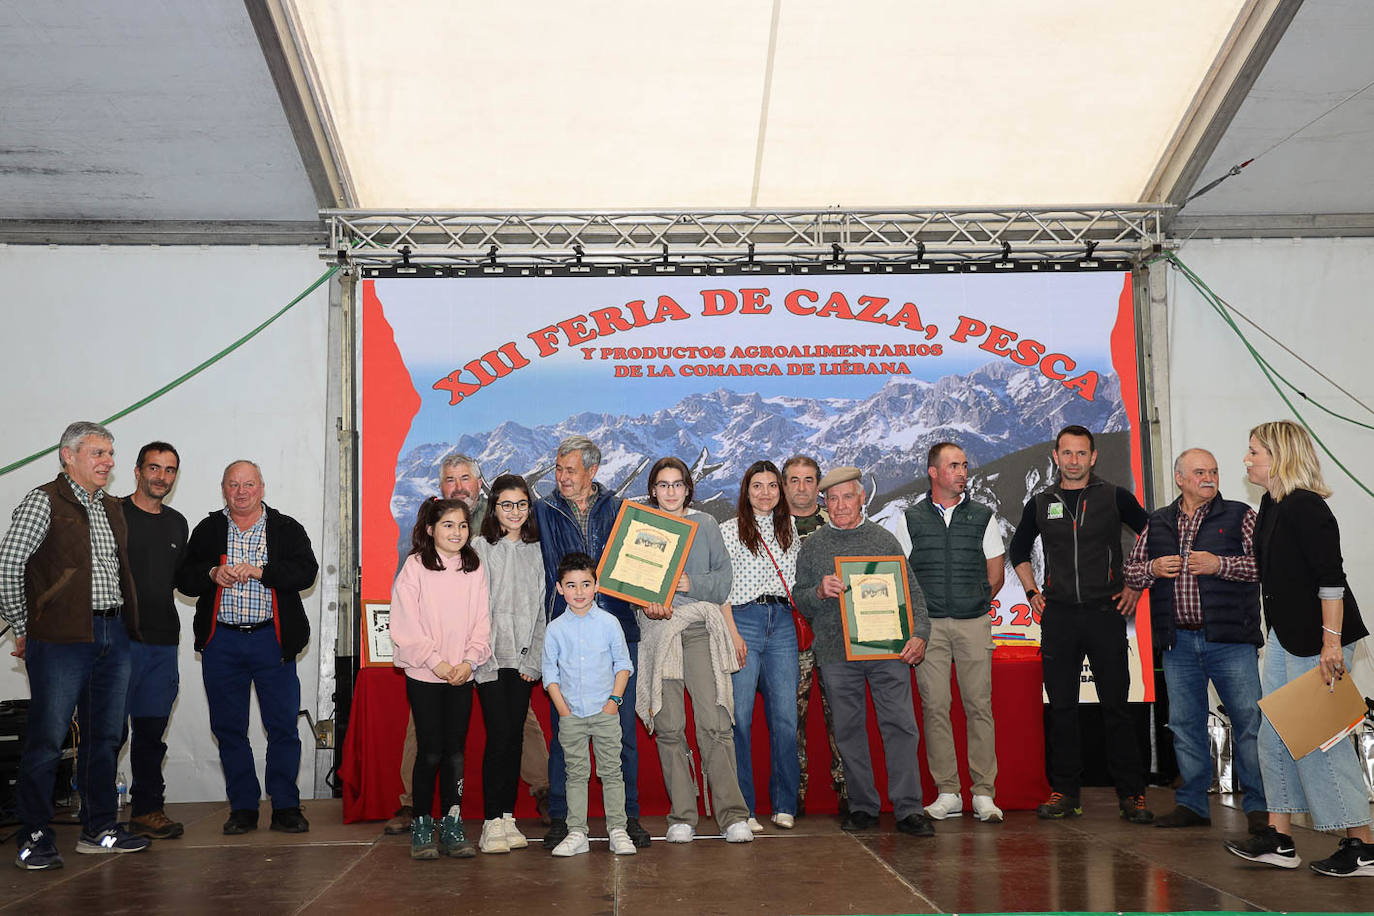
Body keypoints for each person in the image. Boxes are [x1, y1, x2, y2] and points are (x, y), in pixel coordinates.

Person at [1224, 421, 1371, 877]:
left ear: (1280, 455)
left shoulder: (1307, 507)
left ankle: (1362, 846)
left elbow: (1331, 579)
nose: (1246, 459)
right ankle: (1280, 838)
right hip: (1287, 640)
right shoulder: (1272, 504)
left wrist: (1331, 643)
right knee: (1274, 738)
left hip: (1319, 642)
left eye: (1254, 452)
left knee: (1321, 743)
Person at [1, 421, 151, 869]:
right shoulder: (43, 500)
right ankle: (33, 836)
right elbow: (8, 565)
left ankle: (98, 828)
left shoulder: (111, 506)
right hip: (61, 638)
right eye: (97, 453)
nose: (108, 462)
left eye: (110, 453)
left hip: (112, 631)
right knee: (47, 740)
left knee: (105, 738)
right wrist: (25, 626)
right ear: (68, 456)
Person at [386, 453, 551, 836]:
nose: (458, 484)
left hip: (487, 654)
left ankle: (540, 790)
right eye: (450, 479)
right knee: (425, 735)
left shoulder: (498, 533)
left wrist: (477, 654)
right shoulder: (431, 542)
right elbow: (411, 609)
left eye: (465, 477)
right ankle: (414, 806)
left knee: (516, 726)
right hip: (435, 663)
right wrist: (436, 659)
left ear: (480, 484)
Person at [1009, 425, 1153, 824]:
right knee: (1063, 709)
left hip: (1106, 614)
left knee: (1117, 708)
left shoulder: (1113, 497)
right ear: (1056, 456)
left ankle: (1132, 794)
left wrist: (1135, 585)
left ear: (1093, 457)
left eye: (1081, 453)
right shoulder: (1041, 502)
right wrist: (1031, 592)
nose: (1073, 460)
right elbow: (1018, 549)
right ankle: (1065, 793)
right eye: (1066, 453)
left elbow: (1151, 536)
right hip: (1058, 617)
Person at [1123, 448, 1267, 832]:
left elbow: (1263, 565)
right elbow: (1132, 573)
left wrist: (1220, 564)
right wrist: (1152, 568)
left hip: (1231, 640)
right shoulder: (1158, 522)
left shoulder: (1239, 515)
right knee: (1185, 725)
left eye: (1214, 472)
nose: (1209, 478)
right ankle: (1192, 805)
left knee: (1248, 723)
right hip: (1178, 643)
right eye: (1200, 472)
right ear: (1180, 479)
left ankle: (1260, 809)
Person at [793, 466, 936, 838]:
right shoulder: (813, 547)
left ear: (862, 499)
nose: (840, 505)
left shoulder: (884, 540)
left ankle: (908, 809)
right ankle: (862, 806)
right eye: (833, 498)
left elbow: (913, 593)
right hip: (837, 655)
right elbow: (800, 598)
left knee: (901, 728)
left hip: (887, 650)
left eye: (848, 497)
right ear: (825, 503)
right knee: (849, 732)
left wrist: (919, 633)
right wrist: (818, 592)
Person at [177, 460, 319, 835]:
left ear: (262, 487)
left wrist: (262, 572)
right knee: (228, 729)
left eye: (249, 485)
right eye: (233, 485)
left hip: (271, 640)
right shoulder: (208, 529)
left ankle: (286, 806)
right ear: (223, 489)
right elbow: (185, 580)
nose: (241, 492)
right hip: (221, 641)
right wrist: (211, 574)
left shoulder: (286, 528)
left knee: (283, 727)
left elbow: (307, 572)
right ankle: (242, 808)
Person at [532, 436, 649, 848]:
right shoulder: (542, 510)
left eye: (570, 470)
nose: (562, 477)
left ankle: (628, 817)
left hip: (617, 628)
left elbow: (641, 567)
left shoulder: (620, 509)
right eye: (558, 469)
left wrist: (652, 595)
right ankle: (564, 819)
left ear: (592, 472)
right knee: (566, 732)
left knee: (622, 733)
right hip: (564, 631)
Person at [637, 457, 753, 844]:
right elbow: (628, 582)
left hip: (701, 629)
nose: (671, 492)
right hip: (658, 633)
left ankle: (732, 815)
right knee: (669, 726)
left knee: (715, 722)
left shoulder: (705, 525)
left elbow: (723, 581)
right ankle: (682, 816)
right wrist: (646, 604)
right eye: (663, 485)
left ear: (689, 488)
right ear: (653, 489)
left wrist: (692, 581)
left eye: (678, 484)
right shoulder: (641, 526)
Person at [894, 442, 1005, 824]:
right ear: (934, 472)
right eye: (954, 465)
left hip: (974, 623)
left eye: (964, 465)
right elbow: (901, 576)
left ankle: (984, 793)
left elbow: (996, 574)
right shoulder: (909, 519)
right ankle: (948, 792)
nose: (962, 472)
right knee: (935, 707)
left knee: (979, 706)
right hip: (929, 629)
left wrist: (973, 603)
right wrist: (921, 621)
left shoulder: (982, 516)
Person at [390, 498, 491, 859]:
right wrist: (437, 663)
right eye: (448, 525)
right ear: (430, 529)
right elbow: (405, 625)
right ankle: (421, 825)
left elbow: (482, 621)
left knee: (455, 754)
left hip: (462, 674)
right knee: (429, 753)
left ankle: (452, 823)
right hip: (425, 674)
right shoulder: (415, 568)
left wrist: (468, 660)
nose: (457, 532)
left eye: (463, 525)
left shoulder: (474, 568)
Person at [721, 460, 800, 832]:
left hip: (783, 623)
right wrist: (732, 633)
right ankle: (744, 808)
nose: (765, 493)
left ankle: (785, 803)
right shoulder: (729, 530)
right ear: (746, 490)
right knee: (741, 719)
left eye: (772, 485)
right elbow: (720, 590)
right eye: (757, 486)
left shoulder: (792, 529)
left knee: (785, 718)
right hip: (743, 621)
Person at [542, 553, 637, 857]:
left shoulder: (609, 624)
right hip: (571, 716)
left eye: (586, 584)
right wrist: (564, 712)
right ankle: (576, 832)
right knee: (575, 774)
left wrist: (613, 703)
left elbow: (623, 665)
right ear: (559, 588)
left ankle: (618, 829)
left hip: (605, 712)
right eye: (571, 585)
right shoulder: (555, 629)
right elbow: (550, 674)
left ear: (597, 586)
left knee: (612, 771)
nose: (579, 592)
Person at [472, 474, 546, 854]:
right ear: (494, 508)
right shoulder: (479, 548)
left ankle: (507, 817)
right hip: (487, 660)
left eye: (521, 505)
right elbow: (472, 609)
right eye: (506, 505)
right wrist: (478, 658)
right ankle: (489, 821)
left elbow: (541, 613)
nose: (514, 512)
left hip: (522, 663)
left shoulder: (537, 550)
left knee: (514, 738)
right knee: (498, 737)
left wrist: (534, 659)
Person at [121, 441, 190, 840]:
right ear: (137, 471)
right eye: (154, 468)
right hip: (117, 641)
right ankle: (97, 816)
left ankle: (148, 810)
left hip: (163, 643)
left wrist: (214, 575)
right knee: (111, 735)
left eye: (169, 470)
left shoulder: (177, 523)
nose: (161, 477)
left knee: (150, 735)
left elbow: (183, 581)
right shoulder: (113, 514)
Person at [783, 454, 846, 815]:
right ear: (784, 484)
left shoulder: (835, 522)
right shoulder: (770, 525)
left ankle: (849, 792)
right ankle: (795, 793)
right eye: (794, 480)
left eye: (809, 480)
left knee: (842, 717)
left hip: (835, 635)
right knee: (792, 721)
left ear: (819, 487)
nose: (802, 488)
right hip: (792, 638)